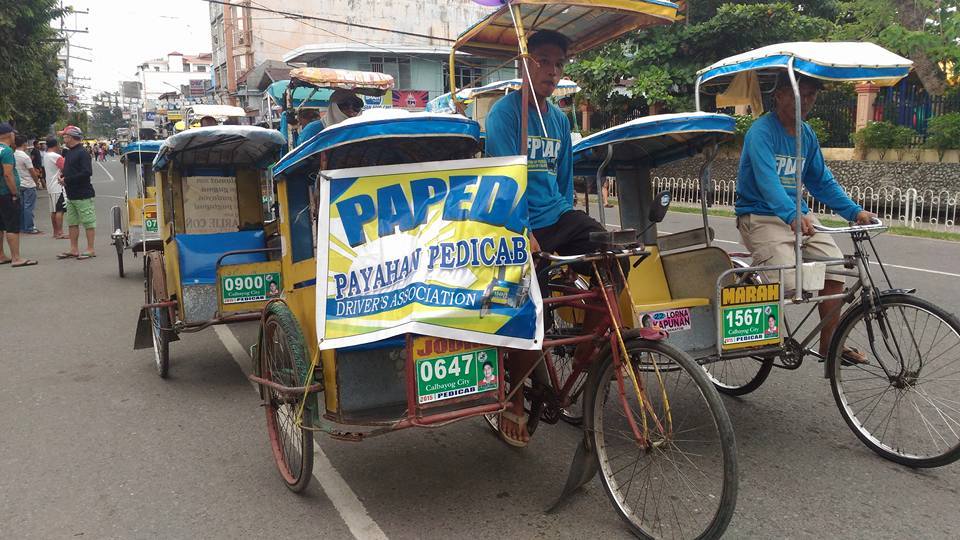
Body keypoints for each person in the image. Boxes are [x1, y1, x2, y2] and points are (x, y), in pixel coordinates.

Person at [484, 30, 623, 446]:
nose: (551, 70)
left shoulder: (560, 120)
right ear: (523, 64)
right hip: (515, 222)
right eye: (542, 60)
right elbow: (502, 179)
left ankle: (586, 352)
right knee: (526, 305)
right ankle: (511, 395)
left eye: (558, 63)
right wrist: (521, 231)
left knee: (614, 256)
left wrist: (563, 218)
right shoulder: (505, 115)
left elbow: (563, 183)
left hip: (556, 217)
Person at [735, 72, 874, 365]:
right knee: (786, 280)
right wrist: (790, 214)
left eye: (812, 95)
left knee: (835, 266)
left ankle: (830, 345)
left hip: (798, 216)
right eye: (801, 94)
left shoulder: (807, 135)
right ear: (780, 95)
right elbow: (766, 181)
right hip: (760, 216)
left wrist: (854, 211)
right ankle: (758, 331)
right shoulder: (761, 133)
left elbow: (821, 181)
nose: (807, 101)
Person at [56, 125, 97, 260]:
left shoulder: (82, 152)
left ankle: (90, 249)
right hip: (71, 194)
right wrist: (62, 176)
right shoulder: (69, 152)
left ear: (72, 137)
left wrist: (67, 179)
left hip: (83, 194)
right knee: (72, 222)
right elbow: (68, 169)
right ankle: (74, 249)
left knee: (88, 222)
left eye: (65, 136)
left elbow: (87, 172)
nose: (64, 138)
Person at [0, 123, 36, 267]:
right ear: (9, 134)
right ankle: (16, 257)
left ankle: (1, 255)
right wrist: (14, 193)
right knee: (12, 226)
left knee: (0, 226)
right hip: (6, 193)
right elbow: (8, 174)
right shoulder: (7, 151)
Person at [296, 90, 364, 145]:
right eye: (345, 106)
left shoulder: (362, 130)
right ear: (333, 107)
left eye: (356, 106)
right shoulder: (313, 129)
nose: (351, 110)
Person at [14, 135, 41, 234]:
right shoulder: (25, 156)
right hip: (29, 184)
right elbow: (32, 171)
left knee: (21, 206)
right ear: (25, 143)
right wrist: (37, 181)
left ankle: (22, 226)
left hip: (18, 184)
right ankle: (29, 227)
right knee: (28, 207)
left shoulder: (13, 154)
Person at [43, 137, 67, 239]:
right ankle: (60, 232)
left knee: (53, 210)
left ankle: (55, 232)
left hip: (50, 185)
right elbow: (65, 168)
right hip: (58, 186)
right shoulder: (56, 156)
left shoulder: (46, 155)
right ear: (56, 145)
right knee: (59, 210)